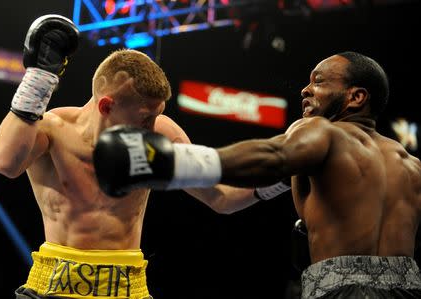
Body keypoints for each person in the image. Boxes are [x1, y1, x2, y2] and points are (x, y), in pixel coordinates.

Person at [94, 51, 421, 298]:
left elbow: (274, 155)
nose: (305, 90)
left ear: (356, 96)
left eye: (319, 81)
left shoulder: (322, 132)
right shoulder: (410, 163)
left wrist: (166, 161)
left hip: (339, 286)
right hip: (408, 285)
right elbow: (233, 194)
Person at [0, 14, 265, 299]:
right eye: (145, 119)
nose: (152, 128)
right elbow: (5, 162)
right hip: (51, 286)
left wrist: (283, 177)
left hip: (126, 289)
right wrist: (39, 79)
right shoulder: (53, 129)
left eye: (157, 115)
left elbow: (220, 196)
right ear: (107, 106)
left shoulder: (161, 131)